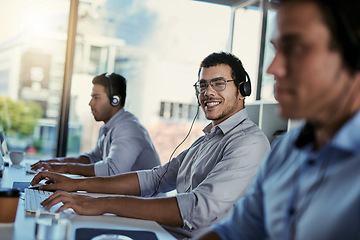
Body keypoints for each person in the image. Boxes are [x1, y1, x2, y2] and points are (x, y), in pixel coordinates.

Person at [31, 52, 270, 239]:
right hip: (165, 232)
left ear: (242, 89)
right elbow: (155, 179)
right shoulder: (207, 140)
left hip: (180, 236)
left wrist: (101, 202)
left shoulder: (249, 143)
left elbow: (197, 209)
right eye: (203, 85)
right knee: (70, 228)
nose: (208, 92)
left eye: (218, 83)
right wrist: (75, 185)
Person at [197, 0, 360, 239]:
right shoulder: (285, 150)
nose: (272, 69)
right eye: (276, 50)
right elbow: (235, 231)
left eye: (294, 48)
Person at [31, 73, 160, 177]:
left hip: (145, 203)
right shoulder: (108, 127)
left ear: (115, 100)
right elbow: (93, 158)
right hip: (124, 199)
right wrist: (57, 163)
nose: (90, 103)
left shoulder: (128, 128)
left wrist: (66, 168)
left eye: (96, 97)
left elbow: (112, 171)